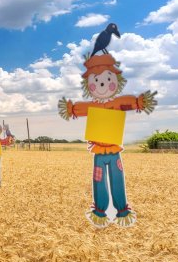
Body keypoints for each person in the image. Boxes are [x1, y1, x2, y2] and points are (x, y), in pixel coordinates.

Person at [58, 51, 157, 228]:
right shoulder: (92, 106)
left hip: (113, 150)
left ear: (116, 82)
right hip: (99, 151)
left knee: (117, 178)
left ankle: (122, 211)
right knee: (99, 181)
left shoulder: (118, 104)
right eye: (95, 80)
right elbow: (78, 109)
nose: (101, 84)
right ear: (88, 85)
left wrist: (139, 102)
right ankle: (100, 211)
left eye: (106, 78)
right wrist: (70, 108)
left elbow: (131, 102)